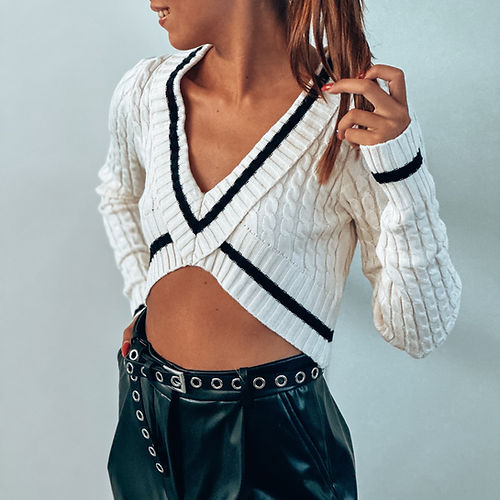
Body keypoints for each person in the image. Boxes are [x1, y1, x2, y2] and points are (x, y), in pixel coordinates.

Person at [95, 1, 462, 499]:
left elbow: (419, 331)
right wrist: (144, 299)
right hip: (144, 410)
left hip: (272, 441)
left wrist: (403, 170)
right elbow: (118, 194)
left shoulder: (351, 119)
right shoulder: (146, 91)